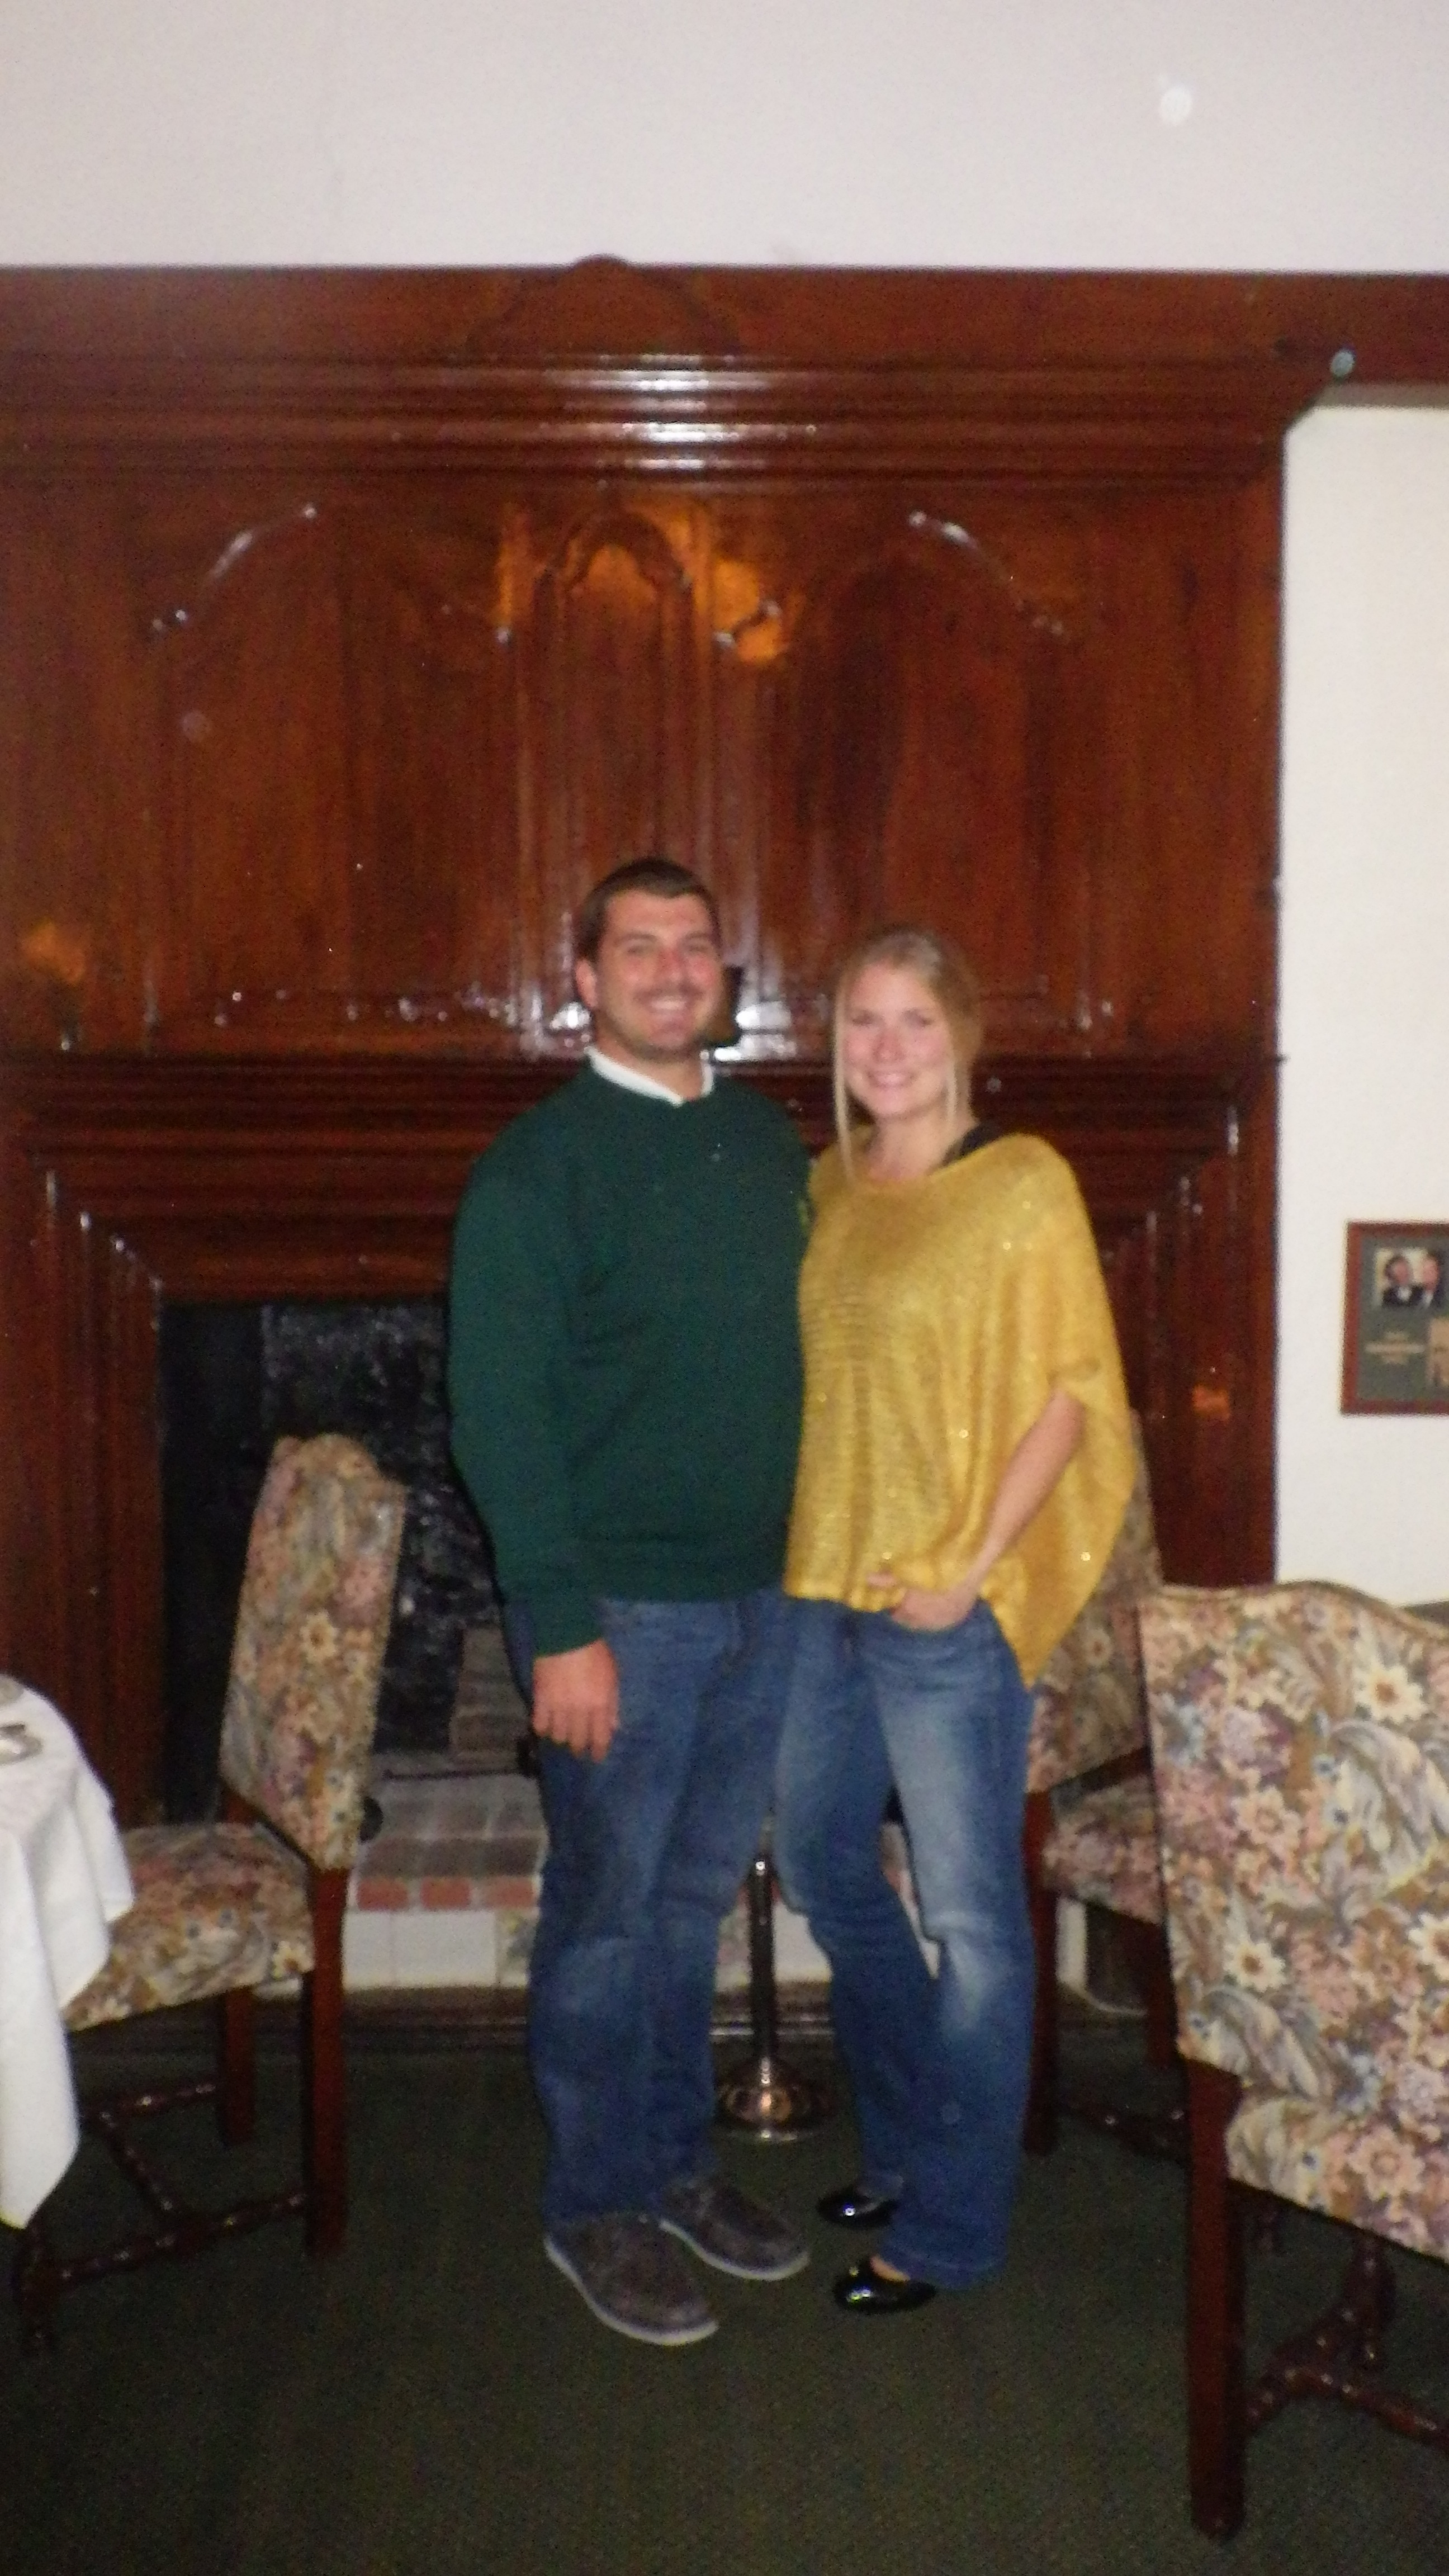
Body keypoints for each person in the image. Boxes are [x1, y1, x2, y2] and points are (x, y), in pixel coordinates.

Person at [448, 856, 811, 2348]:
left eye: (696, 945)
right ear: (586, 981)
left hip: (763, 1603)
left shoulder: (774, 1146)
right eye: (639, 947)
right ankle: (594, 2203)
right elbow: (498, 1415)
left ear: (725, 974)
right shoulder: (536, 1172)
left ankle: (673, 2167)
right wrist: (562, 1624)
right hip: (617, 1617)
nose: (672, 969)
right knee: (604, 1919)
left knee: (688, 1907)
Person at [773, 924, 1134, 2315]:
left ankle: (954, 2225)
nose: (886, 1049)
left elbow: (1070, 1395)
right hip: (823, 1589)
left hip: (944, 1607)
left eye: (914, 1021)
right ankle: (916, 2145)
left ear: (964, 1036)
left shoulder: (1022, 1183)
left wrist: (974, 1564)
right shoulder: (831, 1182)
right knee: (824, 1865)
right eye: (862, 1022)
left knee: (975, 1924)